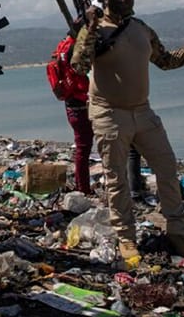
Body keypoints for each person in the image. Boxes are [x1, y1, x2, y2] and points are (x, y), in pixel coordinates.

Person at [70, 0, 184, 264]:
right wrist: (89, 27)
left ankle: (177, 232)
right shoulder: (95, 28)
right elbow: (78, 66)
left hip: (143, 111)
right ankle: (127, 239)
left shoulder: (141, 29)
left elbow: (167, 61)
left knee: (167, 168)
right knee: (117, 181)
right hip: (108, 113)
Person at [51, 32, 147, 198]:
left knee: (83, 148)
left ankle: (83, 188)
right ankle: (122, 189)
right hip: (91, 101)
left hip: (72, 104)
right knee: (111, 145)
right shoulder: (81, 47)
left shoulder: (61, 47)